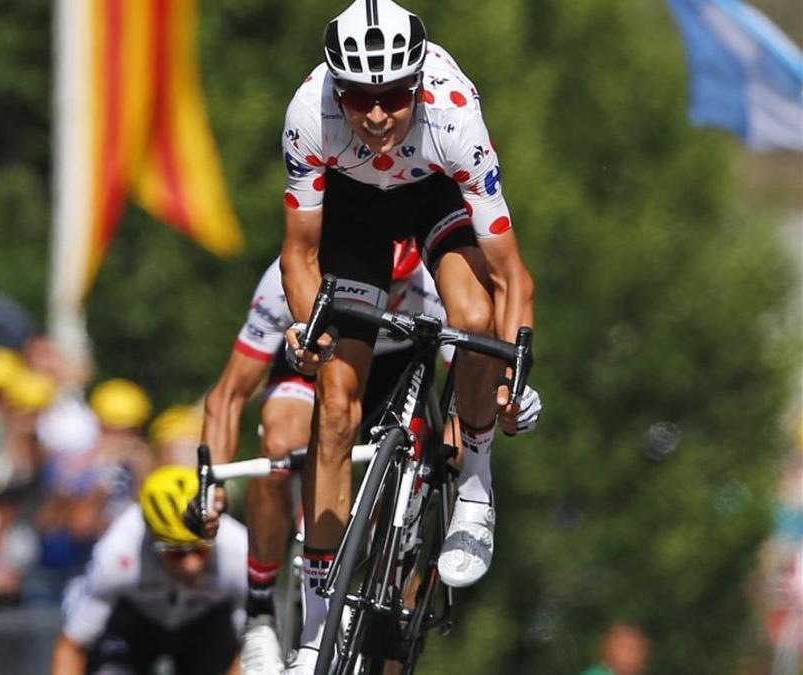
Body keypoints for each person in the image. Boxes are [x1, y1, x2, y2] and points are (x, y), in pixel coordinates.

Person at [276, 1, 537, 670]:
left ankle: (474, 482)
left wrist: (512, 378)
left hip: (435, 197)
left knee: (474, 320)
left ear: (417, 83)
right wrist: (314, 339)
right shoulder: (311, 113)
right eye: (360, 95)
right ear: (338, 88)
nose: (377, 113)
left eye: (394, 94)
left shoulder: (454, 113)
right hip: (354, 213)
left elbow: (512, 278)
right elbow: (300, 255)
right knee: (335, 405)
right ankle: (315, 624)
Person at [198, 243, 541, 672]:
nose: (386, 288)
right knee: (281, 442)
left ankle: (399, 576)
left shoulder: (434, 281)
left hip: (394, 372)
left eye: (394, 283)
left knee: (445, 448)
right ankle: (261, 608)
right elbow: (227, 397)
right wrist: (210, 488)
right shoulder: (286, 278)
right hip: (321, 361)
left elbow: (476, 375)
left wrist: (507, 399)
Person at [52, 465, 248, 675]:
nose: (192, 565)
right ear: (152, 541)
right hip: (136, 624)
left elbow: (249, 649)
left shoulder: (237, 549)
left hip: (204, 627)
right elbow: (73, 647)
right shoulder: (118, 552)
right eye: (176, 553)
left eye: (200, 550)